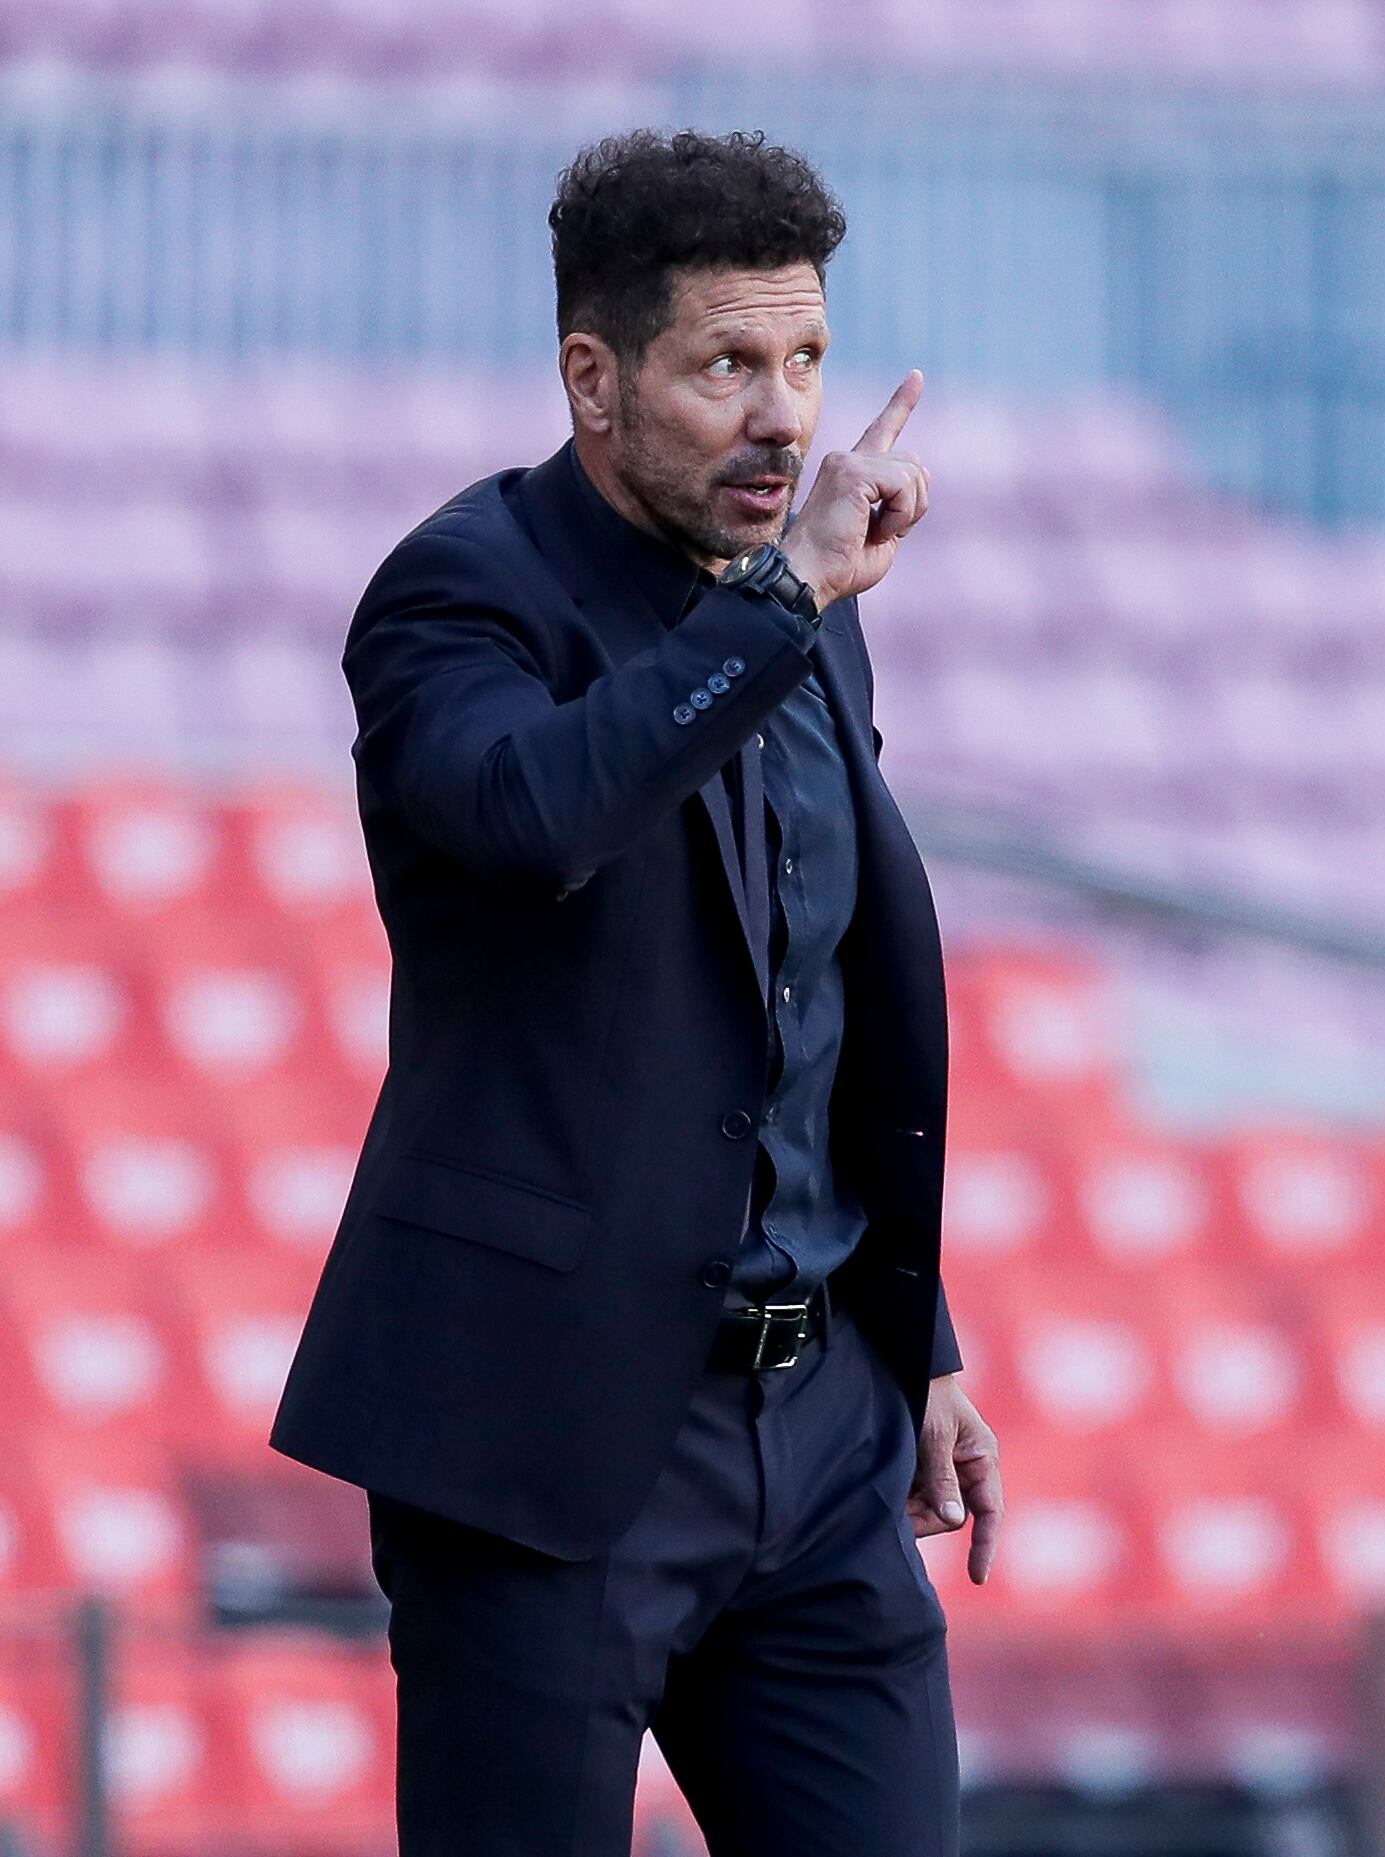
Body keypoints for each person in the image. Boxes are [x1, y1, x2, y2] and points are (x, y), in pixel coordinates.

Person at [270, 127, 1002, 1855]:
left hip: (818, 1433)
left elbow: (817, 1004)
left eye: (807, 357)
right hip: (545, 1434)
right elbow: (537, 820)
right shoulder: (463, 591)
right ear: (593, 377)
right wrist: (782, 594)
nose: (782, 416)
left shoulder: (803, 605)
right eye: (725, 365)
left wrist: (922, 1336)